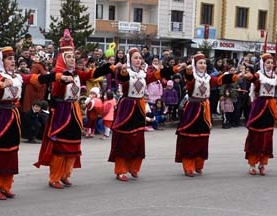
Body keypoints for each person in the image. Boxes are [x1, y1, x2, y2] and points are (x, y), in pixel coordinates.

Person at [0, 46, 54, 199]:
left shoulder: (18, 77)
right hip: (0, 115)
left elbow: (34, 78)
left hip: (13, 113)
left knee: (11, 151)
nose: (13, 61)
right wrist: (2, 82)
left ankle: (5, 185)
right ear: (2, 61)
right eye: (9, 59)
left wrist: (54, 77)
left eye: (13, 59)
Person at [34, 30, 109, 189]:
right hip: (61, 112)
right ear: (62, 59)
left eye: (73, 57)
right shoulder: (57, 74)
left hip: (74, 111)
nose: (72, 59)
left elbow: (91, 74)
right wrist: (63, 80)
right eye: (68, 57)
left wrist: (108, 67)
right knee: (60, 146)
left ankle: (65, 174)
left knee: (73, 144)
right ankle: (55, 177)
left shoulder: (76, 73)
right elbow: (57, 90)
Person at [109, 47, 165, 181]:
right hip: (127, 106)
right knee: (124, 138)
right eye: (135, 58)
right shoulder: (126, 71)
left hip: (139, 107)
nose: (138, 60)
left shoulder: (144, 74)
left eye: (140, 58)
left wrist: (171, 69)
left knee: (138, 139)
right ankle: (121, 170)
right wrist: (122, 71)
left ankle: (134, 167)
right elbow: (122, 79)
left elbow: (155, 76)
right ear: (129, 59)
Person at [176, 53, 234, 177]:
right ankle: (188, 166)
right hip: (192, 108)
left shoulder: (208, 78)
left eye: (204, 63)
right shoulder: (192, 76)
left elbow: (220, 80)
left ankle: (199, 165)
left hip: (204, 109)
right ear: (195, 65)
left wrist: (235, 77)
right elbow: (189, 80)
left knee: (202, 137)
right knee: (190, 137)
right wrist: (188, 71)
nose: (203, 65)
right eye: (200, 63)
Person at [243, 53, 277, 176]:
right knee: (255, 135)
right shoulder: (259, 75)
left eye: (272, 63)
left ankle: (262, 164)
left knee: (267, 136)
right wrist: (248, 76)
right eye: (268, 63)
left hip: (270, 108)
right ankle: (252, 164)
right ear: (263, 64)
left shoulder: (275, 77)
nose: (270, 65)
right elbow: (253, 79)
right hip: (259, 107)